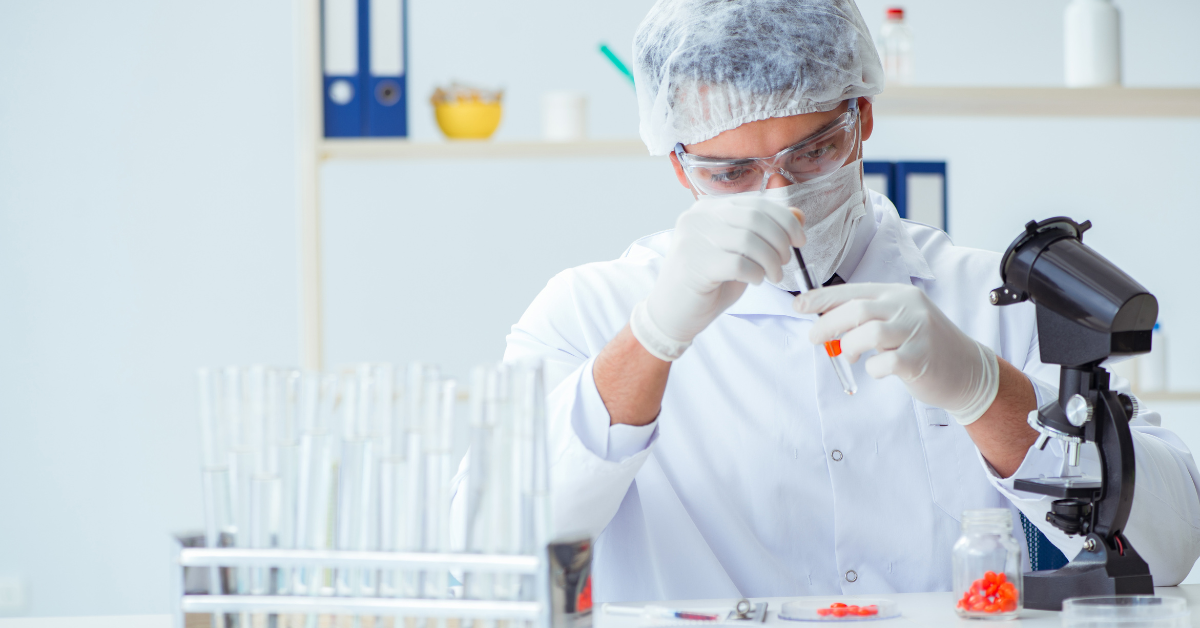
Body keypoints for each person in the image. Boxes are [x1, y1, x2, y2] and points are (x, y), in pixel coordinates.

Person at [468, 0, 1200, 603]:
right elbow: (486, 554)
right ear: (678, 164)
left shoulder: (995, 300)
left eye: (812, 153)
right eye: (732, 173)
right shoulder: (591, 311)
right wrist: (651, 340)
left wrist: (984, 389)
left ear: (862, 120)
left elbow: (1167, 549)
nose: (780, 196)